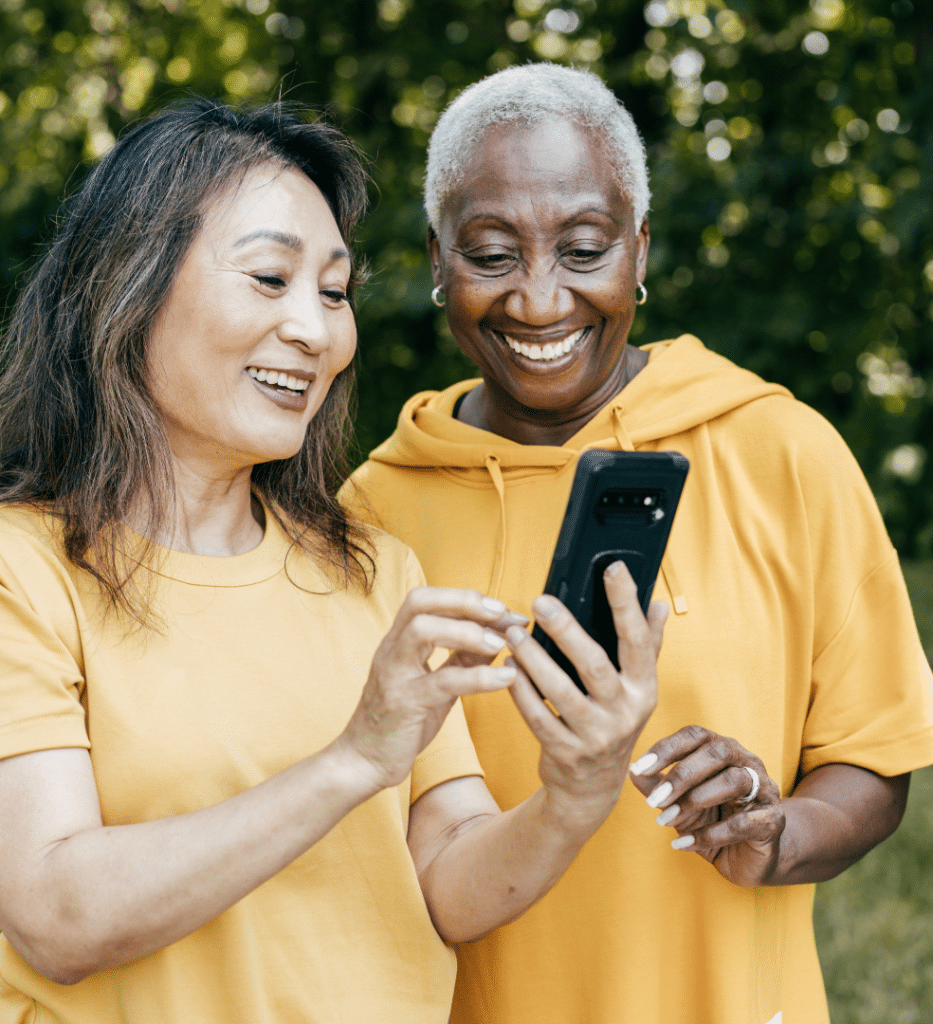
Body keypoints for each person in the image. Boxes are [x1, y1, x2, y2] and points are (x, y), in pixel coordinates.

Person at [0, 99, 668, 1024]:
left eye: (335, 291)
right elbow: (61, 918)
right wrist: (354, 759)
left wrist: (575, 790)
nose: (316, 329)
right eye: (270, 277)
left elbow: (446, 885)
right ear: (126, 286)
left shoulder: (375, 572)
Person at [345, 64, 933, 1024]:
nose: (540, 302)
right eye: (491, 254)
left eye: (583, 248)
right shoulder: (369, 514)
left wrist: (779, 831)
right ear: (438, 258)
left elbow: (872, 762)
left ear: (638, 247)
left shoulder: (780, 450)